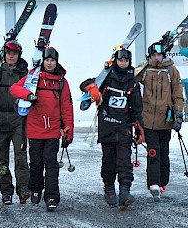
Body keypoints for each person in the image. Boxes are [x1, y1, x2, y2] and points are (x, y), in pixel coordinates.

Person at [10, 47, 74, 211]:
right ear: (43, 61)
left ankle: (52, 196)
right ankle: (36, 190)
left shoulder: (61, 82)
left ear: (56, 61)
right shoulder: (33, 77)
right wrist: (27, 95)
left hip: (53, 129)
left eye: (52, 60)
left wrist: (68, 130)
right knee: (36, 163)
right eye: (47, 60)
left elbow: (66, 107)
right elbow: (14, 89)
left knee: (51, 164)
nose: (50, 63)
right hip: (34, 128)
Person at [80, 48, 144, 210]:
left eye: (126, 61)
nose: (123, 63)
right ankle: (109, 189)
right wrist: (92, 88)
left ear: (129, 62)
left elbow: (137, 106)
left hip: (124, 127)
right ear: (116, 61)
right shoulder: (107, 77)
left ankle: (125, 191)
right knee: (109, 161)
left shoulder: (133, 81)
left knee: (124, 161)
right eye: (120, 60)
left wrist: (139, 126)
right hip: (107, 125)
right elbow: (84, 84)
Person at [136, 42, 184, 202]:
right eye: (154, 55)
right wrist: (144, 64)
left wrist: (179, 115)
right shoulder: (146, 71)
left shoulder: (171, 71)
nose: (157, 58)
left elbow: (178, 93)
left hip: (166, 119)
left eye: (160, 55)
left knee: (164, 152)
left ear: (164, 55)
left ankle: (163, 182)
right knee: (153, 151)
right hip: (148, 120)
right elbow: (133, 77)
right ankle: (153, 183)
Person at [0, 40, 30, 205]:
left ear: (18, 55)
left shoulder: (24, 72)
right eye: (8, 53)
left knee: (21, 156)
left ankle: (23, 189)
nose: (11, 56)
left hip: (19, 119)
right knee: (2, 159)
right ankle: (6, 192)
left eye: (14, 53)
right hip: (0, 119)